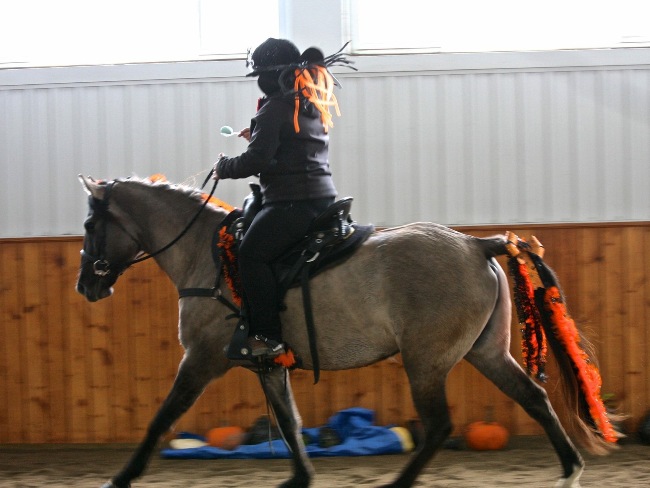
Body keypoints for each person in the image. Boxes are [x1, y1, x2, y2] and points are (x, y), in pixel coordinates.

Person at [213, 38, 349, 357]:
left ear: (271, 76)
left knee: (251, 254)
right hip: (321, 198)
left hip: (292, 202)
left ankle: (269, 336)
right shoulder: (310, 101)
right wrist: (256, 130)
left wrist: (224, 167)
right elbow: (292, 140)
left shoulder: (274, 108)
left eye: (261, 76)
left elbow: (257, 161)